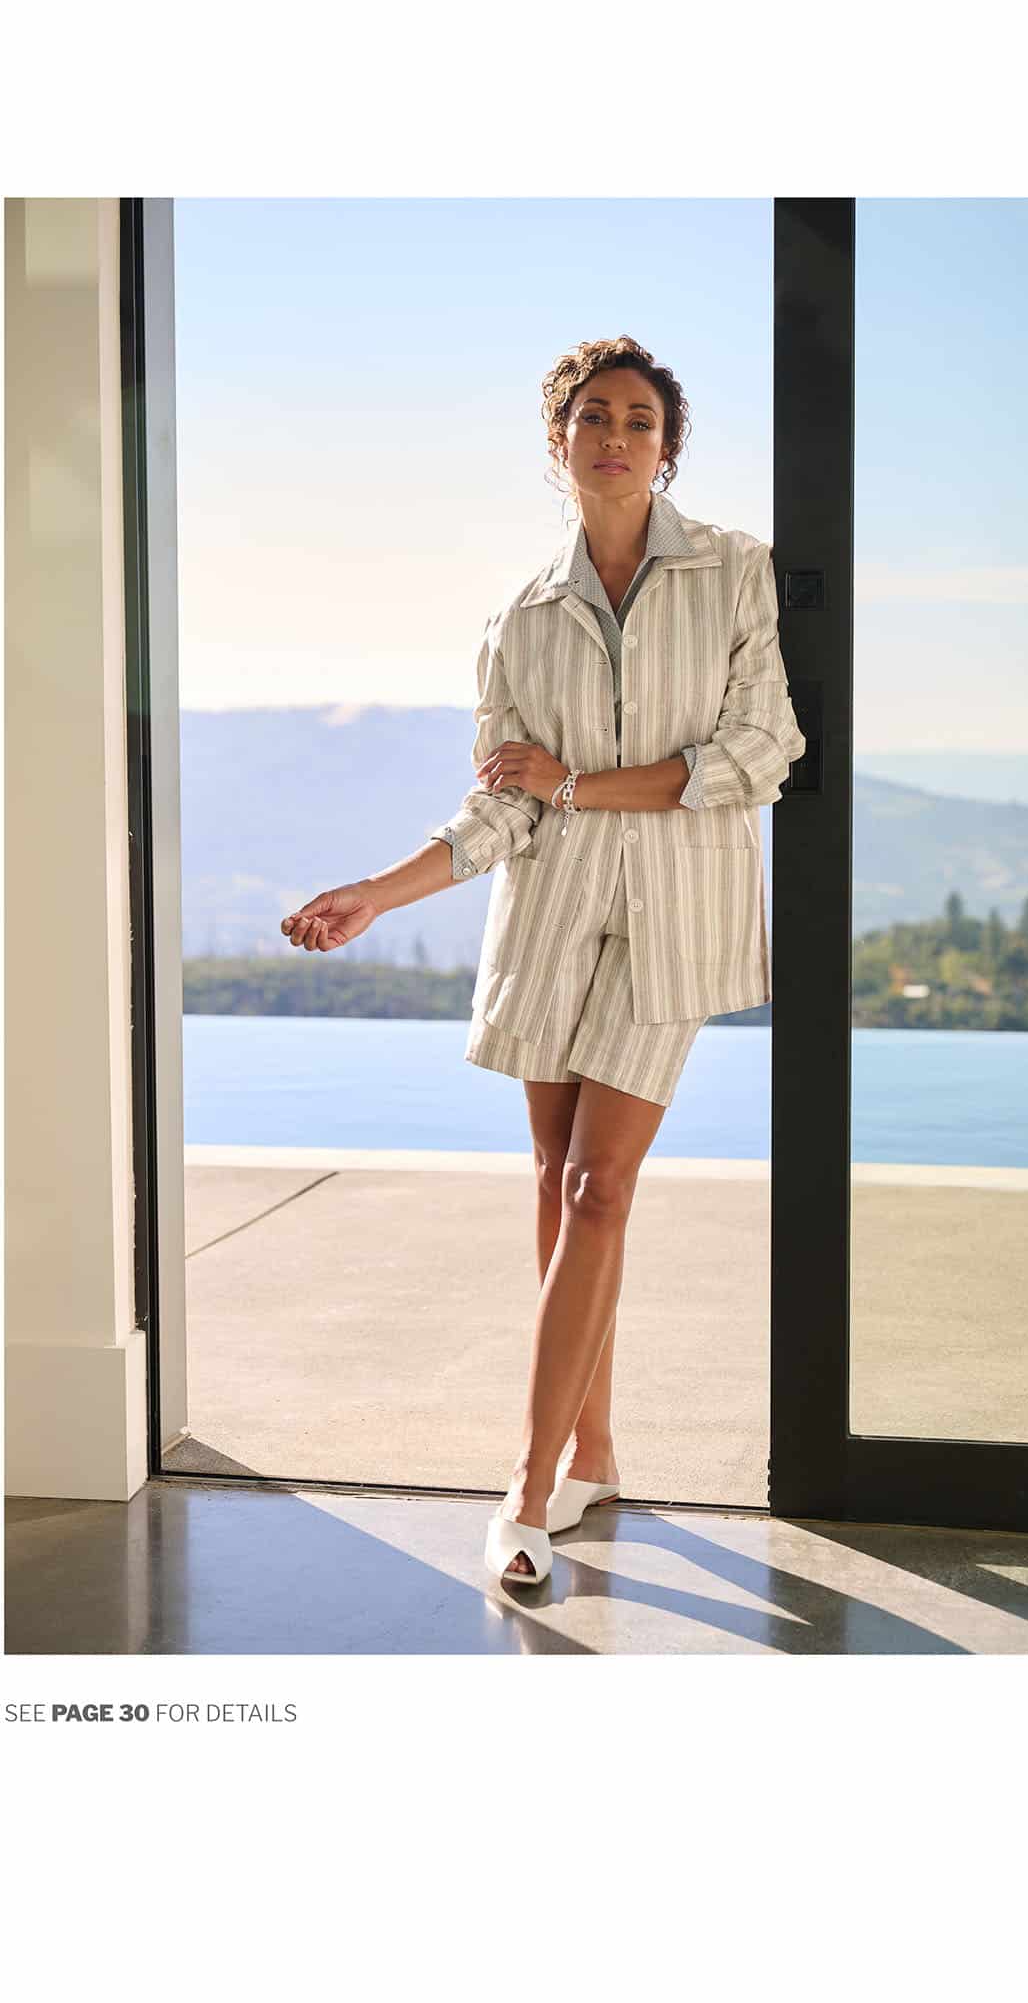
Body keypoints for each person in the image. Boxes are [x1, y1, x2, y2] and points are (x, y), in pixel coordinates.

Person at [280, 335, 805, 1584]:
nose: (614, 435)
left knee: (596, 1187)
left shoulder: (733, 569)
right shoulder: (517, 619)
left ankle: (524, 1486)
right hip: (549, 917)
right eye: (591, 416)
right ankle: (593, 1451)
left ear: (666, 447)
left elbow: (758, 753)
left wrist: (577, 783)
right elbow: (501, 807)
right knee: (555, 1182)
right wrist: (375, 891)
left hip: (673, 919)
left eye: (638, 418)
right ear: (557, 440)